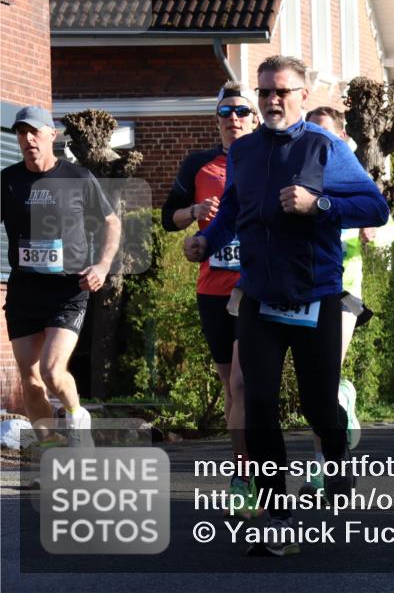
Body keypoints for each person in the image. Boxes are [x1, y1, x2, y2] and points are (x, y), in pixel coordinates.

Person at [184, 55, 389, 556]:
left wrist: (318, 205)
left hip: (315, 296)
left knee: (320, 406)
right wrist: (208, 240)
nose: (272, 100)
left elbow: (375, 207)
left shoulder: (326, 147)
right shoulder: (246, 151)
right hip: (258, 296)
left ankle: (337, 456)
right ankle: (278, 515)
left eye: (282, 92)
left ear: (302, 95)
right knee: (257, 404)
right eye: (265, 92)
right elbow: (233, 207)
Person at [161, 82, 260, 515]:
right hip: (212, 289)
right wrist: (195, 216)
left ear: (254, 119)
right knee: (229, 385)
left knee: (242, 383)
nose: (233, 119)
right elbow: (169, 218)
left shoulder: (267, 161)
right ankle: (244, 463)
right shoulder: (199, 164)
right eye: (225, 112)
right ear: (216, 120)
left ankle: (244, 475)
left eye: (242, 111)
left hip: (256, 288)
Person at [2, 105, 120, 449]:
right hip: (25, 291)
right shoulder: (7, 181)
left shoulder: (77, 178)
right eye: (21, 133)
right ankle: (52, 451)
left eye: (34, 132)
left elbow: (111, 222)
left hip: (68, 290)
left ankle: (76, 414)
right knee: (30, 377)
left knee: (53, 371)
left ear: (51, 135)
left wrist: (101, 266)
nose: (27, 140)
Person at [295, 106, 394, 495]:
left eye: (325, 133)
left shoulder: (350, 176)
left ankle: (323, 466)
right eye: (310, 132)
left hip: (344, 292)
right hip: (303, 290)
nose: (317, 140)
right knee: (315, 385)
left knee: (322, 378)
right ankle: (341, 405)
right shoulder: (297, 174)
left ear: (341, 138)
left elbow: (386, 222)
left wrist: (377, 236)